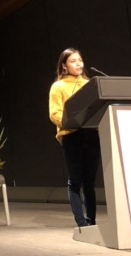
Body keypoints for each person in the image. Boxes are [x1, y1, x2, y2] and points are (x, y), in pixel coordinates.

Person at [48, 47, 100, 228]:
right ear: (64, 66)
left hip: (92, 134)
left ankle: (92, 221)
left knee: (90, 182)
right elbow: (54, 114)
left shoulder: (91, 83)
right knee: (75, 181)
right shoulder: (58, 86)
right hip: (72, 135)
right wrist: (70, 121)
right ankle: (81, 223)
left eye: (80, 60)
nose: (78, 64)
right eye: (73, 61)